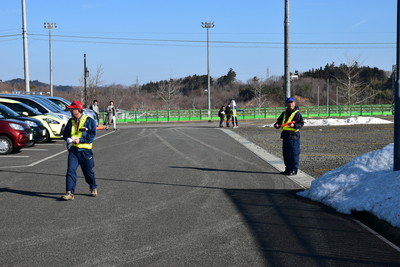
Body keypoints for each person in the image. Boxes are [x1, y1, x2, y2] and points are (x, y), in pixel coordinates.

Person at [61, 100, 98, 200]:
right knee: (70, 171)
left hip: (85, 152)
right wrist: (68, 139)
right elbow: (65, 134)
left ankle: (93, 186)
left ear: (78, 110)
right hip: (73, 150)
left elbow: (92, 136)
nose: (70, 111)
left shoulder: (89, 121)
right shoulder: (70, 121)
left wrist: (80, 140)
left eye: (72, 109)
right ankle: (69, 192)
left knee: (88, 172)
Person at [274, 97, 304, 176]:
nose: (290, 104)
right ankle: (288, 168)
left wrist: (294, 125)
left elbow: (301, 124)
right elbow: (278, 122)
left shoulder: (297, 113)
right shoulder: (284, 113)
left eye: (292, 102)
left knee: (294, 153)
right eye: (289, 103)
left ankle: (294, 169)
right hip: (286, 136)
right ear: (287, 104)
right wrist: (276, 125)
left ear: (294, 103)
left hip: (294, 136)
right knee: (286, 153)